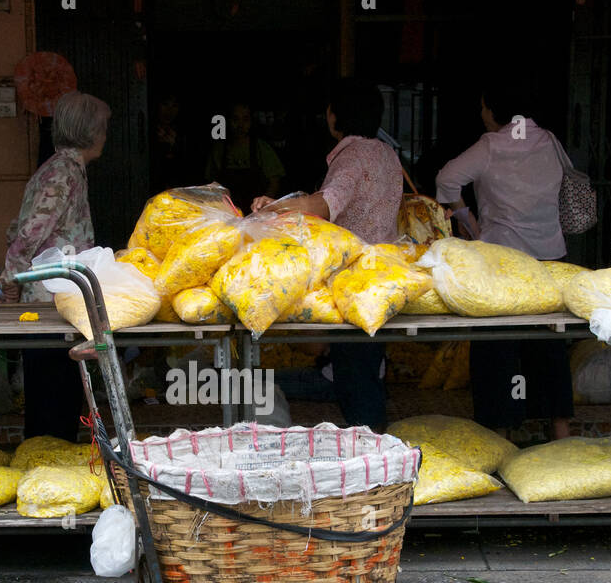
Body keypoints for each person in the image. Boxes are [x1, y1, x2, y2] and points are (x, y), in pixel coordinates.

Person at [253, 79, 402, 433]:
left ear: (335, 116)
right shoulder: (388, 154)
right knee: (364, 363)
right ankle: (372, 437)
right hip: (384, 275)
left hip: (354, 278)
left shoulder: (353, 157)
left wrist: (275, 208)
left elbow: (326, 204)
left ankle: (369, 451)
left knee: (355, 369)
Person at [435, 74, 573, 441]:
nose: (481, 112)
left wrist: (469, 221)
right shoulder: (548, 140)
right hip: (548, 261)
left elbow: (446, 180)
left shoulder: (491, 146)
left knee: (497, 344)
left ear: (494, 109)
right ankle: (560, 430)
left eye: (483, 105)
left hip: (503, 261)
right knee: (549, 345)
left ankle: (501, 434)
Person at [0, 91, 111, 442]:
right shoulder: (62, 173)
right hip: (46, 304)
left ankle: (50, 466)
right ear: (88, 132)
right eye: (103, 128)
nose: (106, 135)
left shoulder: (66, 169)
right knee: (52, 399)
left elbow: (19, 227)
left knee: (61, 395)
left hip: (58, 302)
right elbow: (28, 233)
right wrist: (9, 283)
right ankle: (44, 468)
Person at [206, 102, 285, 214]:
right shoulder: (219, 150)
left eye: (245, 119)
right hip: (226, 214)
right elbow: (211, 184)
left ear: (251, 122)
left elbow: (274, 181)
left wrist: (263, 206)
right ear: (228, 121)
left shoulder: (260, 148)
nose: (240, 125)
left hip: (256, 213)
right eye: (235, 119)